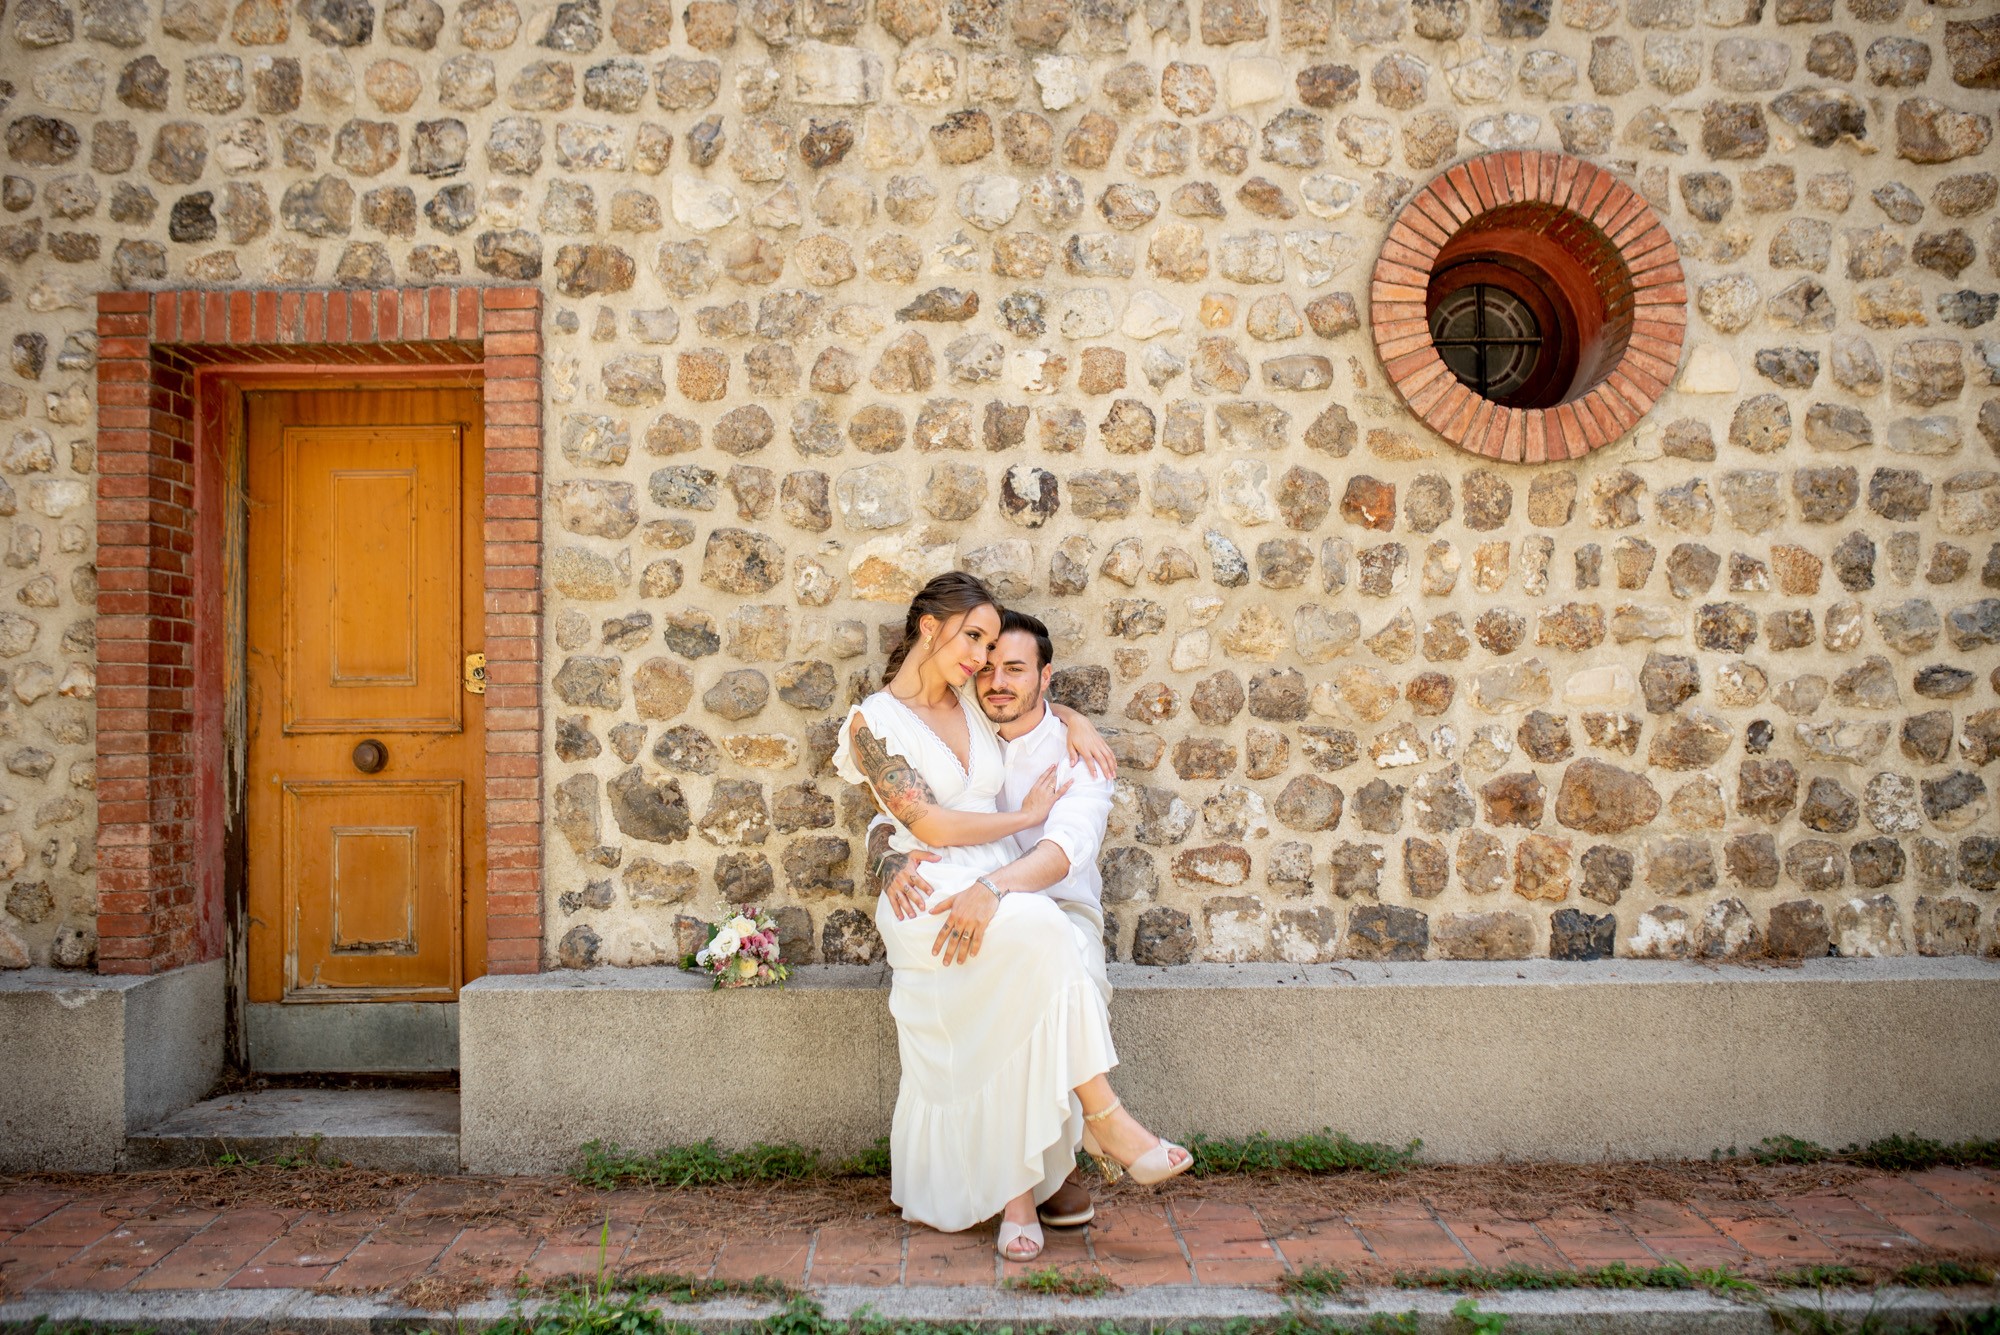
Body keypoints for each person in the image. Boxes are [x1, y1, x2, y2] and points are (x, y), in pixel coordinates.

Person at [832, 574, 1191, 1264]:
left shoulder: (971, 697)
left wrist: (1077, 721)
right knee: (1043, 933)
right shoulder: (869, 721)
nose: (982, 660)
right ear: (929, 627)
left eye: (993, 646)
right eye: (974, 639)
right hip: (928, 882)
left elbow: (1033, 707)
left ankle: (1023, 1189)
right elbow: (920, 816)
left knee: (1038, 949)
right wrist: (894, 850)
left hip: (990, 875)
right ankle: (1105, 1120)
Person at [868, 607, 1116, 1231]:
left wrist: (993, 887)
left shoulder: (1077, 756)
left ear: (1045, 677)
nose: (997, 680)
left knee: (1069, 963)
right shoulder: (965, 719)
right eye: (987, 665)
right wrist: (885, 856)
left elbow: (1063, 854)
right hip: (961, 890)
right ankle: (1046, 1167)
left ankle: (1046, 1166)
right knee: (977, 977)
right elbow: (900, 807)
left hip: (1056, 903)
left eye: (1015, 669)